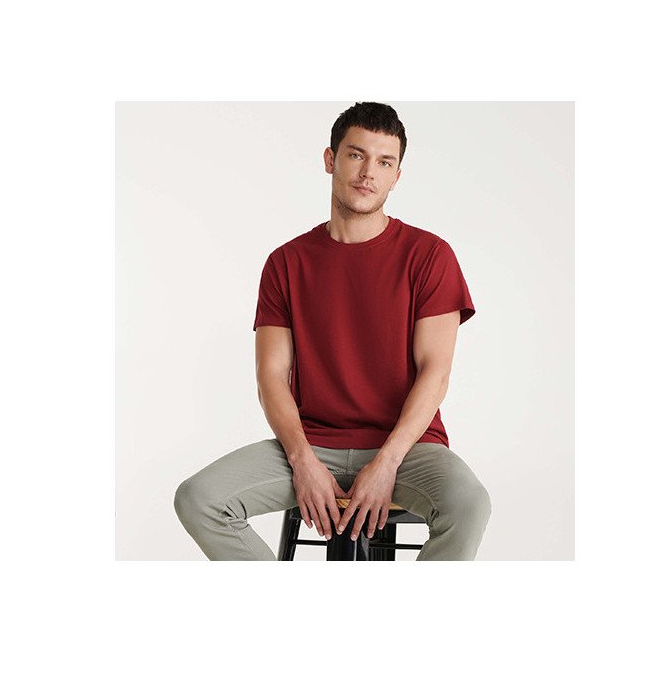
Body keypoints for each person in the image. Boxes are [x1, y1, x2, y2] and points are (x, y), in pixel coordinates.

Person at [174, 102, 491, 560]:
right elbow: (270, 377)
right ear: (330, 159)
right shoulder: (287, 263)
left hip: (408, 449)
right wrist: (302, 460)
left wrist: (386, 463)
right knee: (199, 498)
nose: (368, 173)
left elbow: (435, 374)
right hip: (310, 443)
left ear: (397, 176)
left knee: (469, 505)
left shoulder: (428, 255)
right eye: (356, 155)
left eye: (384, 162)